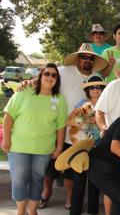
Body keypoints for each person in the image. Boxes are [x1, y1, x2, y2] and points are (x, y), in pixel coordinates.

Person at [40, 43, 108, 209]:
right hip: (61, 128)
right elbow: (44, 80)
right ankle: (45, 193)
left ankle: (70, 200)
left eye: (90, 58)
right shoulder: (63, 71)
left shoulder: (97, 77)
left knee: (74, 170)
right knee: (52, 166)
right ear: (78, 58)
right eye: (84, 57)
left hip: (85, 140)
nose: (87, 60)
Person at [2, 63, 68, 215]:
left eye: (54, 75)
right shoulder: (24, 92)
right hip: (19, 146)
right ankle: (20, 211)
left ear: (57, 79)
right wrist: (6, 140)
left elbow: (60, 127)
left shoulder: (59, 100)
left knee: (37, 180)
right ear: (40, 75)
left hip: (43, 149)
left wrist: (58, 147)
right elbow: (9, 116)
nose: (50, 77)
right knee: (19, 180)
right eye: (47, 73)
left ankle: (32, 211)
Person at [65, 76, 106, 215]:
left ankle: (92, 211)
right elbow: (69, 121)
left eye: (99, 87)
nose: (96, 90)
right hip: (81, 147)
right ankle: (75, 211)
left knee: (95, 182)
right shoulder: (82, 103)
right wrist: (85, 120)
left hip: (99, 147)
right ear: (88, 90)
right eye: (93, 87)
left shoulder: (107, 104)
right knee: (79, 181)